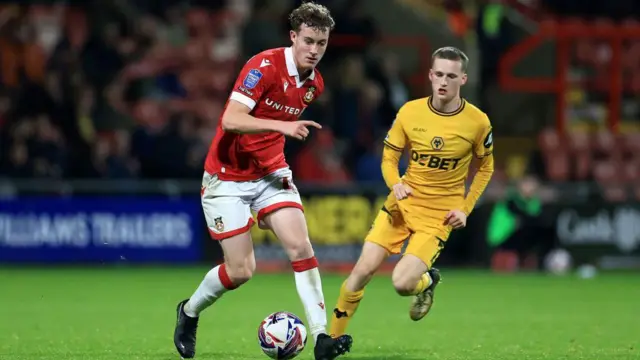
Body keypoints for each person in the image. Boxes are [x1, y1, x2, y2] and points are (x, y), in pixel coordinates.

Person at [173, 2, 352, 359]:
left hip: (270, 174)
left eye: (322, 43)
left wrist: (276, 140)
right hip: (226, 176)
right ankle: (189, 311)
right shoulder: (263, 66)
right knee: (241, 271)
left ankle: (321, 338)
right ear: (293, 37)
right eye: (308, 41)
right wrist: (282, 125)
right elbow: (231, 120)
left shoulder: (314, 84)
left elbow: (266, 134)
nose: (314, 50)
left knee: (301, 248)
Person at [329, 47, 495, 338]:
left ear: (463, 79)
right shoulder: (410, 111)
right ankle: (329, 341)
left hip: (439, 217)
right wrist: (395, 183)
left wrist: (465, 209)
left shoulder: (478, 122)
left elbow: (485, 169)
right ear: (430, 75)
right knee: (362, 270)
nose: (444, 81)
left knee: (402, 284)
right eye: (439, 74)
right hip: (402, 205)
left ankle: (426, 281)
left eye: (451, 76)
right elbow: (389, 158)